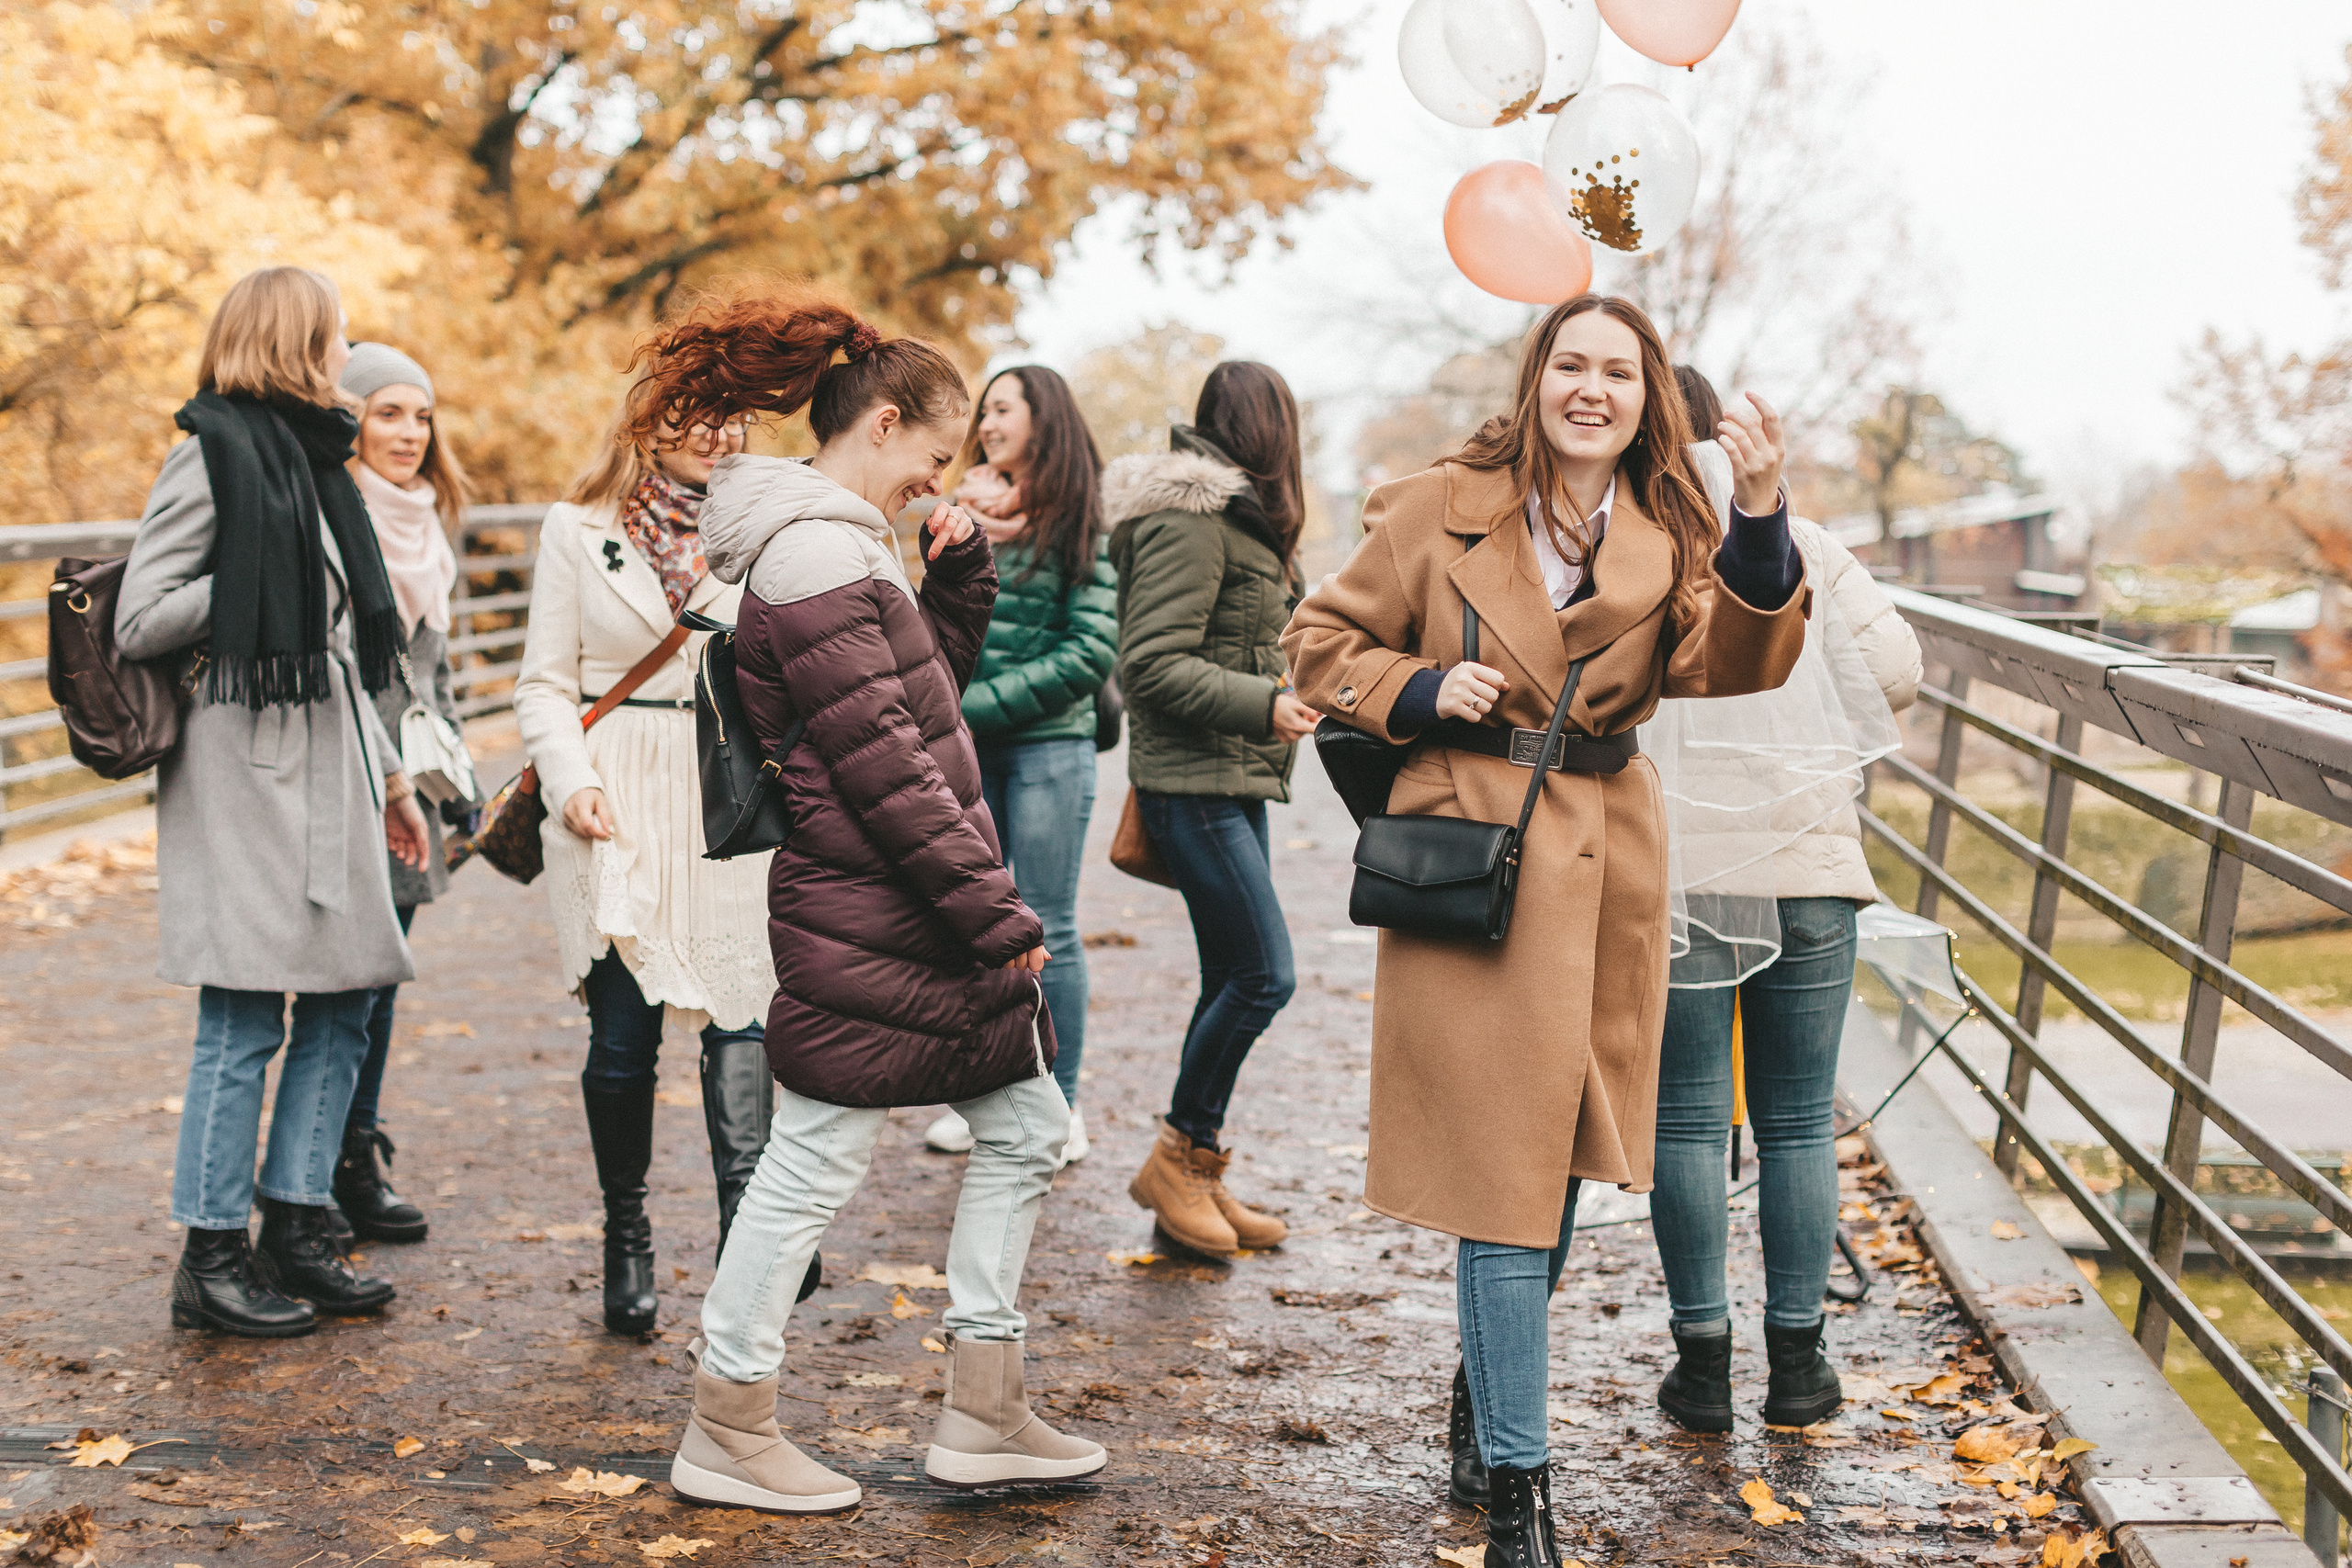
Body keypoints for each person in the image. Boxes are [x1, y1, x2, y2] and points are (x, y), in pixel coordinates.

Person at [1281, 296, 1808, 1568]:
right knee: (1503, 1188)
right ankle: (1523, 1496)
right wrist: (1417, 685)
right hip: (1478, 858)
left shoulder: (1672, 522)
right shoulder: (1432, 507)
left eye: (1618, 371)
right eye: (1570, 363)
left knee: (1558, 1158)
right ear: (1535, 381)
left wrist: (1760, 510)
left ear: (1647, 399)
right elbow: (1314, 645)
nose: (1594, 388)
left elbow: (1733, 662)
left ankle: (1482, 1387)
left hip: (1607, 865)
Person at [655, 283, 1103, 1512]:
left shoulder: (844, 548)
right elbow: (892, 770)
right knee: (812, 1156)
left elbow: (916, 711)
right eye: (937, 453)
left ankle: (985, 1406)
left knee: (1022, 1129)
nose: (939, 477)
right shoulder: (809, 552)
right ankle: (729, 1420)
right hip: (875, 905)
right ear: (887, 419)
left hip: (905, 902)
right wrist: (1002, 919)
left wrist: (954, 587)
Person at [117, 265, 424, 1337]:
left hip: (335, 758)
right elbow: (139, 618)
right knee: (244, 1013)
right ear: (295, 342)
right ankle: (210, 1254)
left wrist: (391, 773)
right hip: (242, 774)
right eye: (335, 339)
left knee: (347, 998)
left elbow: (345, 641)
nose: (345, 357)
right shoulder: (210, 455)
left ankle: (297, 1225)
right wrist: (246, 575)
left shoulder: (316, 462)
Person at [1644, 365, 1924, 1434]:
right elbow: (1894, 672)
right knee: (1800, 1120)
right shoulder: (1803, 544)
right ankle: (1800, 1367)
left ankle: (1702, 1366)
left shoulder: (1637, 545)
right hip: (1810, 868)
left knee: (1684, 1116)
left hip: (1683, 874)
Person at [511, 376, 775, 1337]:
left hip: (726, 790)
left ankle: (748, 1243)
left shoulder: (770, 528)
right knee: (623, 1037)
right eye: (695, 412)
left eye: (734, 414)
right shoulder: (575, 528)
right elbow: (542, 682)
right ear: (645, 423)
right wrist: (570, 774)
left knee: (738, 1020)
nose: (719, 431)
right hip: (614, 788)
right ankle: (627, 1229)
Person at [1106, 363, 1319, 1260]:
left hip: (1230, 777)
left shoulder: (1241, 524)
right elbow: (1147, 663)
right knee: (1264, 976)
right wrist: (1262, 702)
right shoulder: (1190, 519)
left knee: (1230, 976)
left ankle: (1194, 1168)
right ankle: (1174, 1162)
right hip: (1190, 782)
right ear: (1272, 432)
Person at [922, 367, 1116, 1166]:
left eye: (1003, 409)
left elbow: (1092, 647)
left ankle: (1060, 1108)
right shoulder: (956, 512)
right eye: (985, 411)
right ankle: (984, 1104)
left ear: (1045, 420)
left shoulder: (1080, 520)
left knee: (1049, 926)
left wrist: (974, 707)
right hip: (970, 752)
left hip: (1050, 749)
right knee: (975, 928)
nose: (988, 423)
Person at [330, 342, 470, 1248]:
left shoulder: (428, 526)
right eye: (387, 413)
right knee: (346, 983)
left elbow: (435, 671)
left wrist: (460, 779)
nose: (409, 433)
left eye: (420, 415)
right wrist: (385, 774)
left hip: (413, 785)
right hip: (349, 776)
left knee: (385, 983)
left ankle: (353, 1156)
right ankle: (322, 1165)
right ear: (349, 422)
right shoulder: (335, 522)